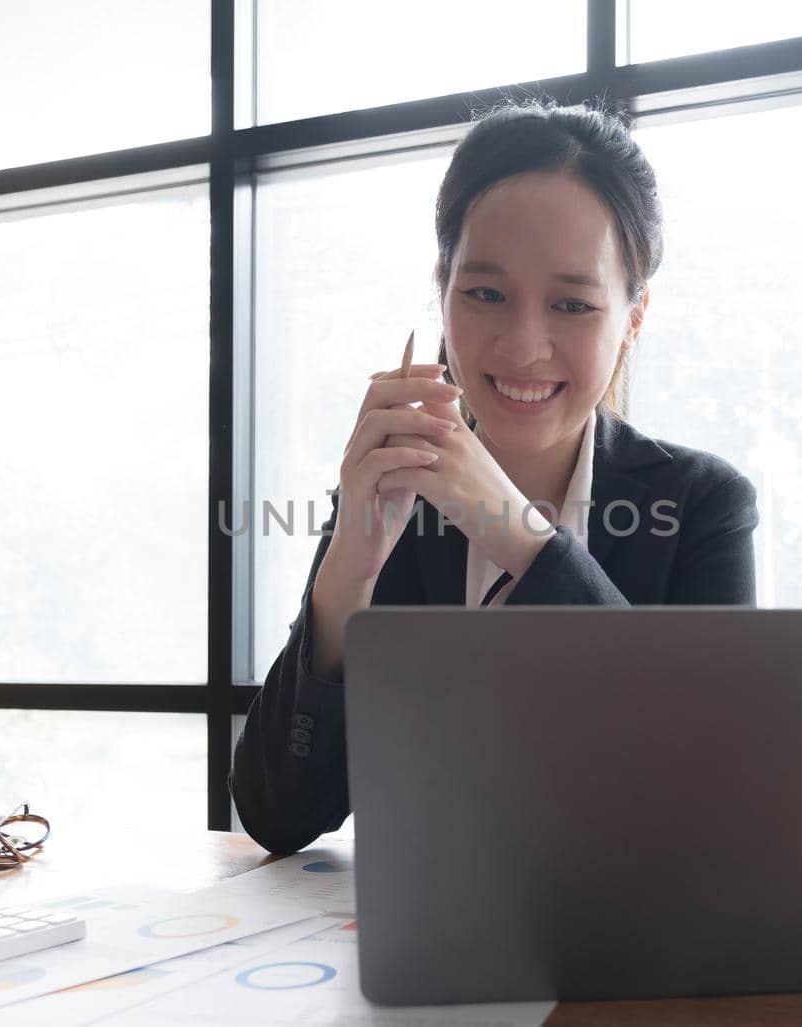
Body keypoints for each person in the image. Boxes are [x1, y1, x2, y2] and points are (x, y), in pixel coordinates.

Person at [231, 99, 759, 855]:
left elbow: (711, 793)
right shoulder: (393, 487)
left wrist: (519, 536)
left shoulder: (704, 504)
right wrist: (348, 571)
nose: (523, 345)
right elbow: (278, 815)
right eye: (485, 293)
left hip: (633, 959)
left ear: (632, 320)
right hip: (422, 949)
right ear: (442, 287)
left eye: (572, 304)